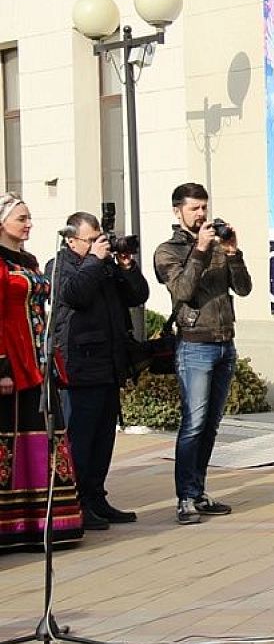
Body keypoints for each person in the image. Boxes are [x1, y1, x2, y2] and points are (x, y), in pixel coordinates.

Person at [153, 183, 252, 525]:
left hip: (225, 343)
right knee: (193, 424)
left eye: (204, 208)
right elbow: (183, 290)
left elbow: (243, 288)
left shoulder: (218, 245)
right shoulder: (168, 251)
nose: (201, 215)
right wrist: (200, 250)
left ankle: (198, 491)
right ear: (177, 211)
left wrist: (233, 252)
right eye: (194, 209)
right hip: (194, 345)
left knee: (210, 425)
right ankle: (184, 498)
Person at [50, 211, 149, 530]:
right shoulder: (59, 265)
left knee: (104, 438)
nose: (98, 245)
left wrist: (125, 265)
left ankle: (97, 497)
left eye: (99, 239)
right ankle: (76, 503)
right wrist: (94, 260)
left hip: (108, 364)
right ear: (71, 239)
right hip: (80, 366)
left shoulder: (105, 265)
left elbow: (138, 295)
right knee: (81, 438)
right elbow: (74, 295)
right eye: (91, 240)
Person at [0, 193, 84, 548]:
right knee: (11, 437)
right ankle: (10, 526)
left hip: (40, 360)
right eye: (22, 218)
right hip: (12, 363)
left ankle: (45, 521)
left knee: (45, 435)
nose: (29, 223)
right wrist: (1, 367)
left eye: (30, 217)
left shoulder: (30, 261)